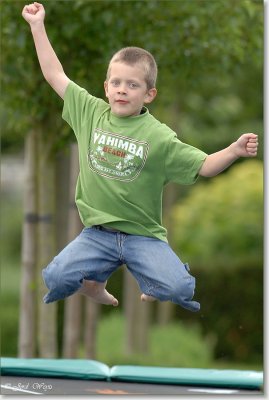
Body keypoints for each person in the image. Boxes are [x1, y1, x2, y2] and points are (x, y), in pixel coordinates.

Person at [22, 2, 259, 312]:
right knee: (56, 277)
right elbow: (55, 74)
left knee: (180, 287)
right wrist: (37, 26)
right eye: (117, 83)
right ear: (106, 88)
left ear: (149, 94)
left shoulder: (158, 136)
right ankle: (94, 285)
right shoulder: (90, 112)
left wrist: (233, 150)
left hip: (142, 237)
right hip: (97, 235)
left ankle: (156, 284)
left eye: (132, 85)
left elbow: (203, 166)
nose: (122, 90)